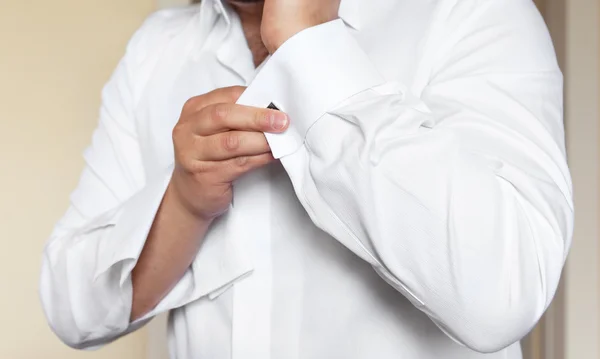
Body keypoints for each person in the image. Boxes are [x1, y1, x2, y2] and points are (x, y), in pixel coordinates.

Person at [39, 0, 573, 358]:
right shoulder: (156, 48)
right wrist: (184, 204)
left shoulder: (472, 11)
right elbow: (73, 309)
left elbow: (503, 295)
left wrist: (312, 51)